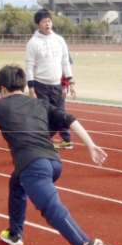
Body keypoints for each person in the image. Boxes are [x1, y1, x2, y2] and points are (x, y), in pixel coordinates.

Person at [0, 65, 107, 245]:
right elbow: (70, 119)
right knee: (16, 183)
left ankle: (85, 244)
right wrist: (90, 145)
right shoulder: (40, 103)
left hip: (34, 166)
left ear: (2, 87)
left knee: (50, 208)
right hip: (53, 162)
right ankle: (14, 233)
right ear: (22, 85)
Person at [25, 9, 75, 149]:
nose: (47, 24)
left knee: (59, 116)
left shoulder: (59, 40)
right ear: (37, 24)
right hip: (41, 85)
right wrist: (31, 88)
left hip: (57, 85)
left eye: (49, 21)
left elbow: (65, 62)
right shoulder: (33, 43)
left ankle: (44, 139)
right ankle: (43, 142)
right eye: (44, 21)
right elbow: (29, 66)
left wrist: (70, 82)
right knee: (43, 116)